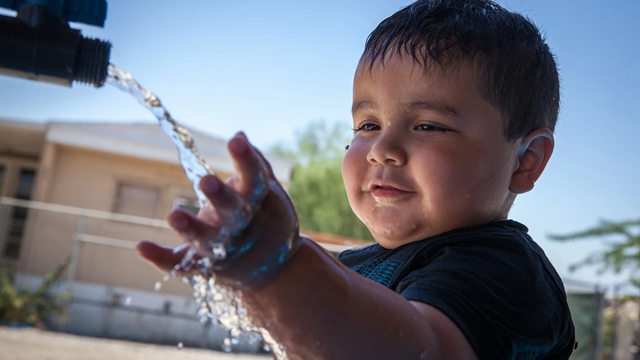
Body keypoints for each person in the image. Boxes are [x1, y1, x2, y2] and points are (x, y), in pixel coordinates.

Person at [137, 0, 576, 358]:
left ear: (526, 161)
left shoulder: (506, 271)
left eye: (428, 125)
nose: (383, 148)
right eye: (367, 125)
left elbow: (419, 348)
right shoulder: (354, 267)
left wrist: (280, 268)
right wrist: (247, 265)